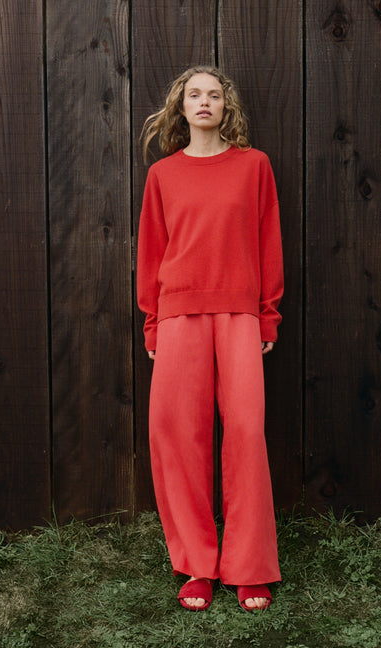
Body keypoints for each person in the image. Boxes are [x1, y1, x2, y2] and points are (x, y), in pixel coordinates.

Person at [137, 66, 283, 612]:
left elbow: (268, 239)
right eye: (194, 94)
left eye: (214, 95)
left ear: (227, 107)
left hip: (239, 313)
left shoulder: (254, 166)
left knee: (245, 432)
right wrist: (152, 322)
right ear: (181, 106)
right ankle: (197, 564)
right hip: (178, 315)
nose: (204, 102)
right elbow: (151, 252)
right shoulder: (163, 175)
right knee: (177, 436)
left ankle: (248, 567)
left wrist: (267, 315)